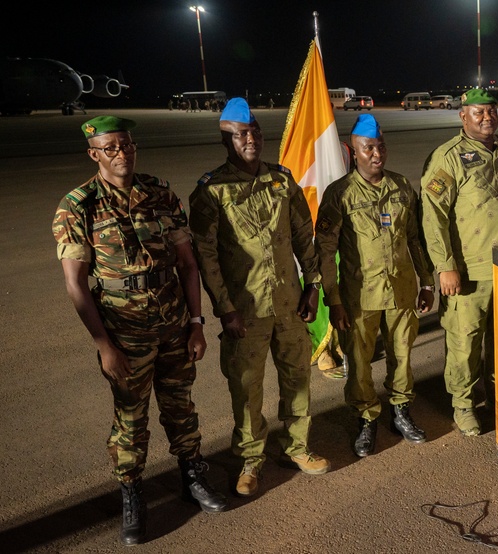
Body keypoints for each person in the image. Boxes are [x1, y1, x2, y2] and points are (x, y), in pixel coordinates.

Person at [53, 116, 226, 545]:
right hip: (124, 332)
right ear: (94, 153)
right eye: (111, 147)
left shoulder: (160, 192)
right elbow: (76, 283)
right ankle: (132, 492)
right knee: (131, 419)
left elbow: (187, 264)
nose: (122, 153)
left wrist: (197, 323)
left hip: (173, 324)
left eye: (127, 145)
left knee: (181, 405)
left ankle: (192, 478)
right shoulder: (78, 205)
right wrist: (103, 345)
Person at [188, 98, 329, 498]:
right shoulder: (212, 191)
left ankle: (298, 447)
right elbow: (206, 255)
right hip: (244, 311)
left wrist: (314, 285)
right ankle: (251, 459)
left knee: (297, 378)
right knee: (247, 388)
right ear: (226, 140)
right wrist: (225, 308)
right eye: (241, 134)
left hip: (289, 303)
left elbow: (304, 236)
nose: (251, 139)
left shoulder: (282, 182)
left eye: (255, 132)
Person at [421, 88, 498, 435]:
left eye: (491, 111)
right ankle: (463, 404)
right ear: (463, 116)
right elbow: (433, 216)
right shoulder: (448, 158)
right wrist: (445, 265)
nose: (487, 118)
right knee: (466, 341)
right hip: (471, 270)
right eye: (478, 113)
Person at [315, 114, 435, 457]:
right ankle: (366, 418)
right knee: (359, 361)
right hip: (359, 296)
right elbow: (325, 253)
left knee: (402, 355)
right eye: (369, 148)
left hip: (401, 291)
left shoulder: (400, 187)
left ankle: (401, 410)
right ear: (355, 151)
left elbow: (415, 239)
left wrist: (426, 283)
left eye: (381, 146)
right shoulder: (339, 194)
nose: (377, 154)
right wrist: (333, 300)